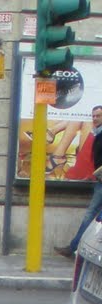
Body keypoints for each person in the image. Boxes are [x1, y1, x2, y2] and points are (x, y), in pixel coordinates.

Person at [56, 105, 102, 258]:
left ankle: (75, 247)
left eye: (98, 116)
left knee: (91, 215)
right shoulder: (96, 134)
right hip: (98, 180)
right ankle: (76, 247)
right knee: (94, 215)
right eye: (93, 116)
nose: (95, 118)